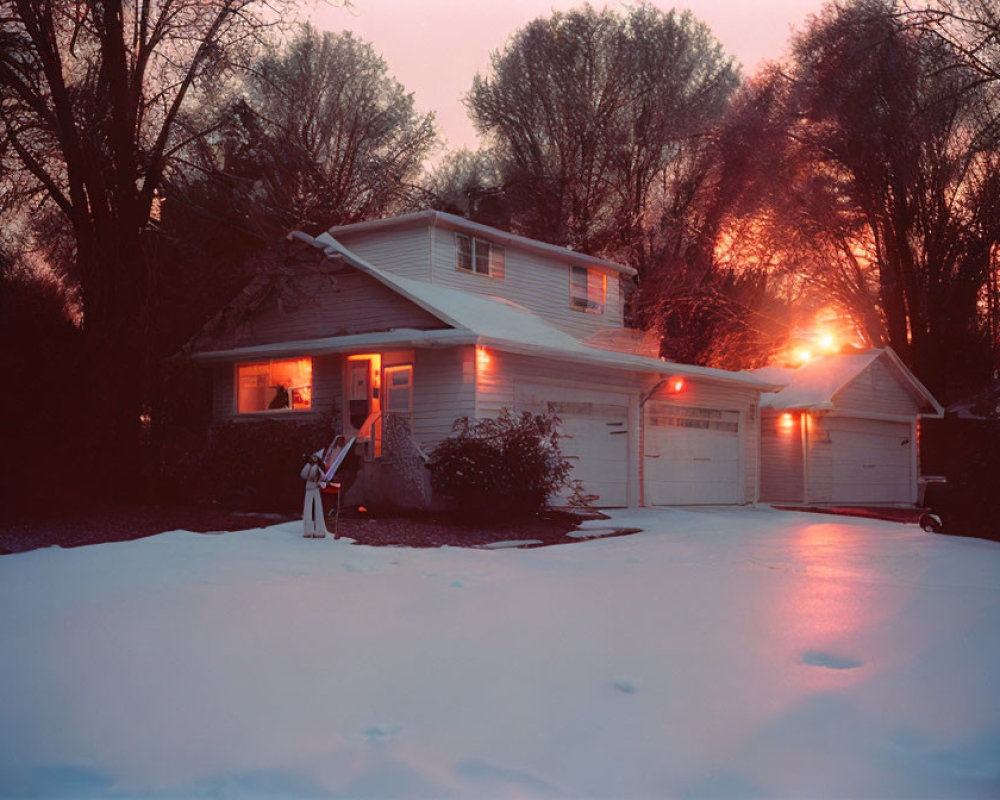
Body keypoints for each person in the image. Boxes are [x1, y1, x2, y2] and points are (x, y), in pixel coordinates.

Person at [300, 453, 328, 538]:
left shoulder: (319, 468)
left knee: (318, 509)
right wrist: (309, 466)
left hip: (316, 488)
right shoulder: (308, 466)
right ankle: (307, 531)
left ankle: (320, 530)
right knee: (307, 509)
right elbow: (303, 475)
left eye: (316, 457)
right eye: (313, 457)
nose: (314, 458)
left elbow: (323, 478)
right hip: (309, 488)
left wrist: (320, 481)